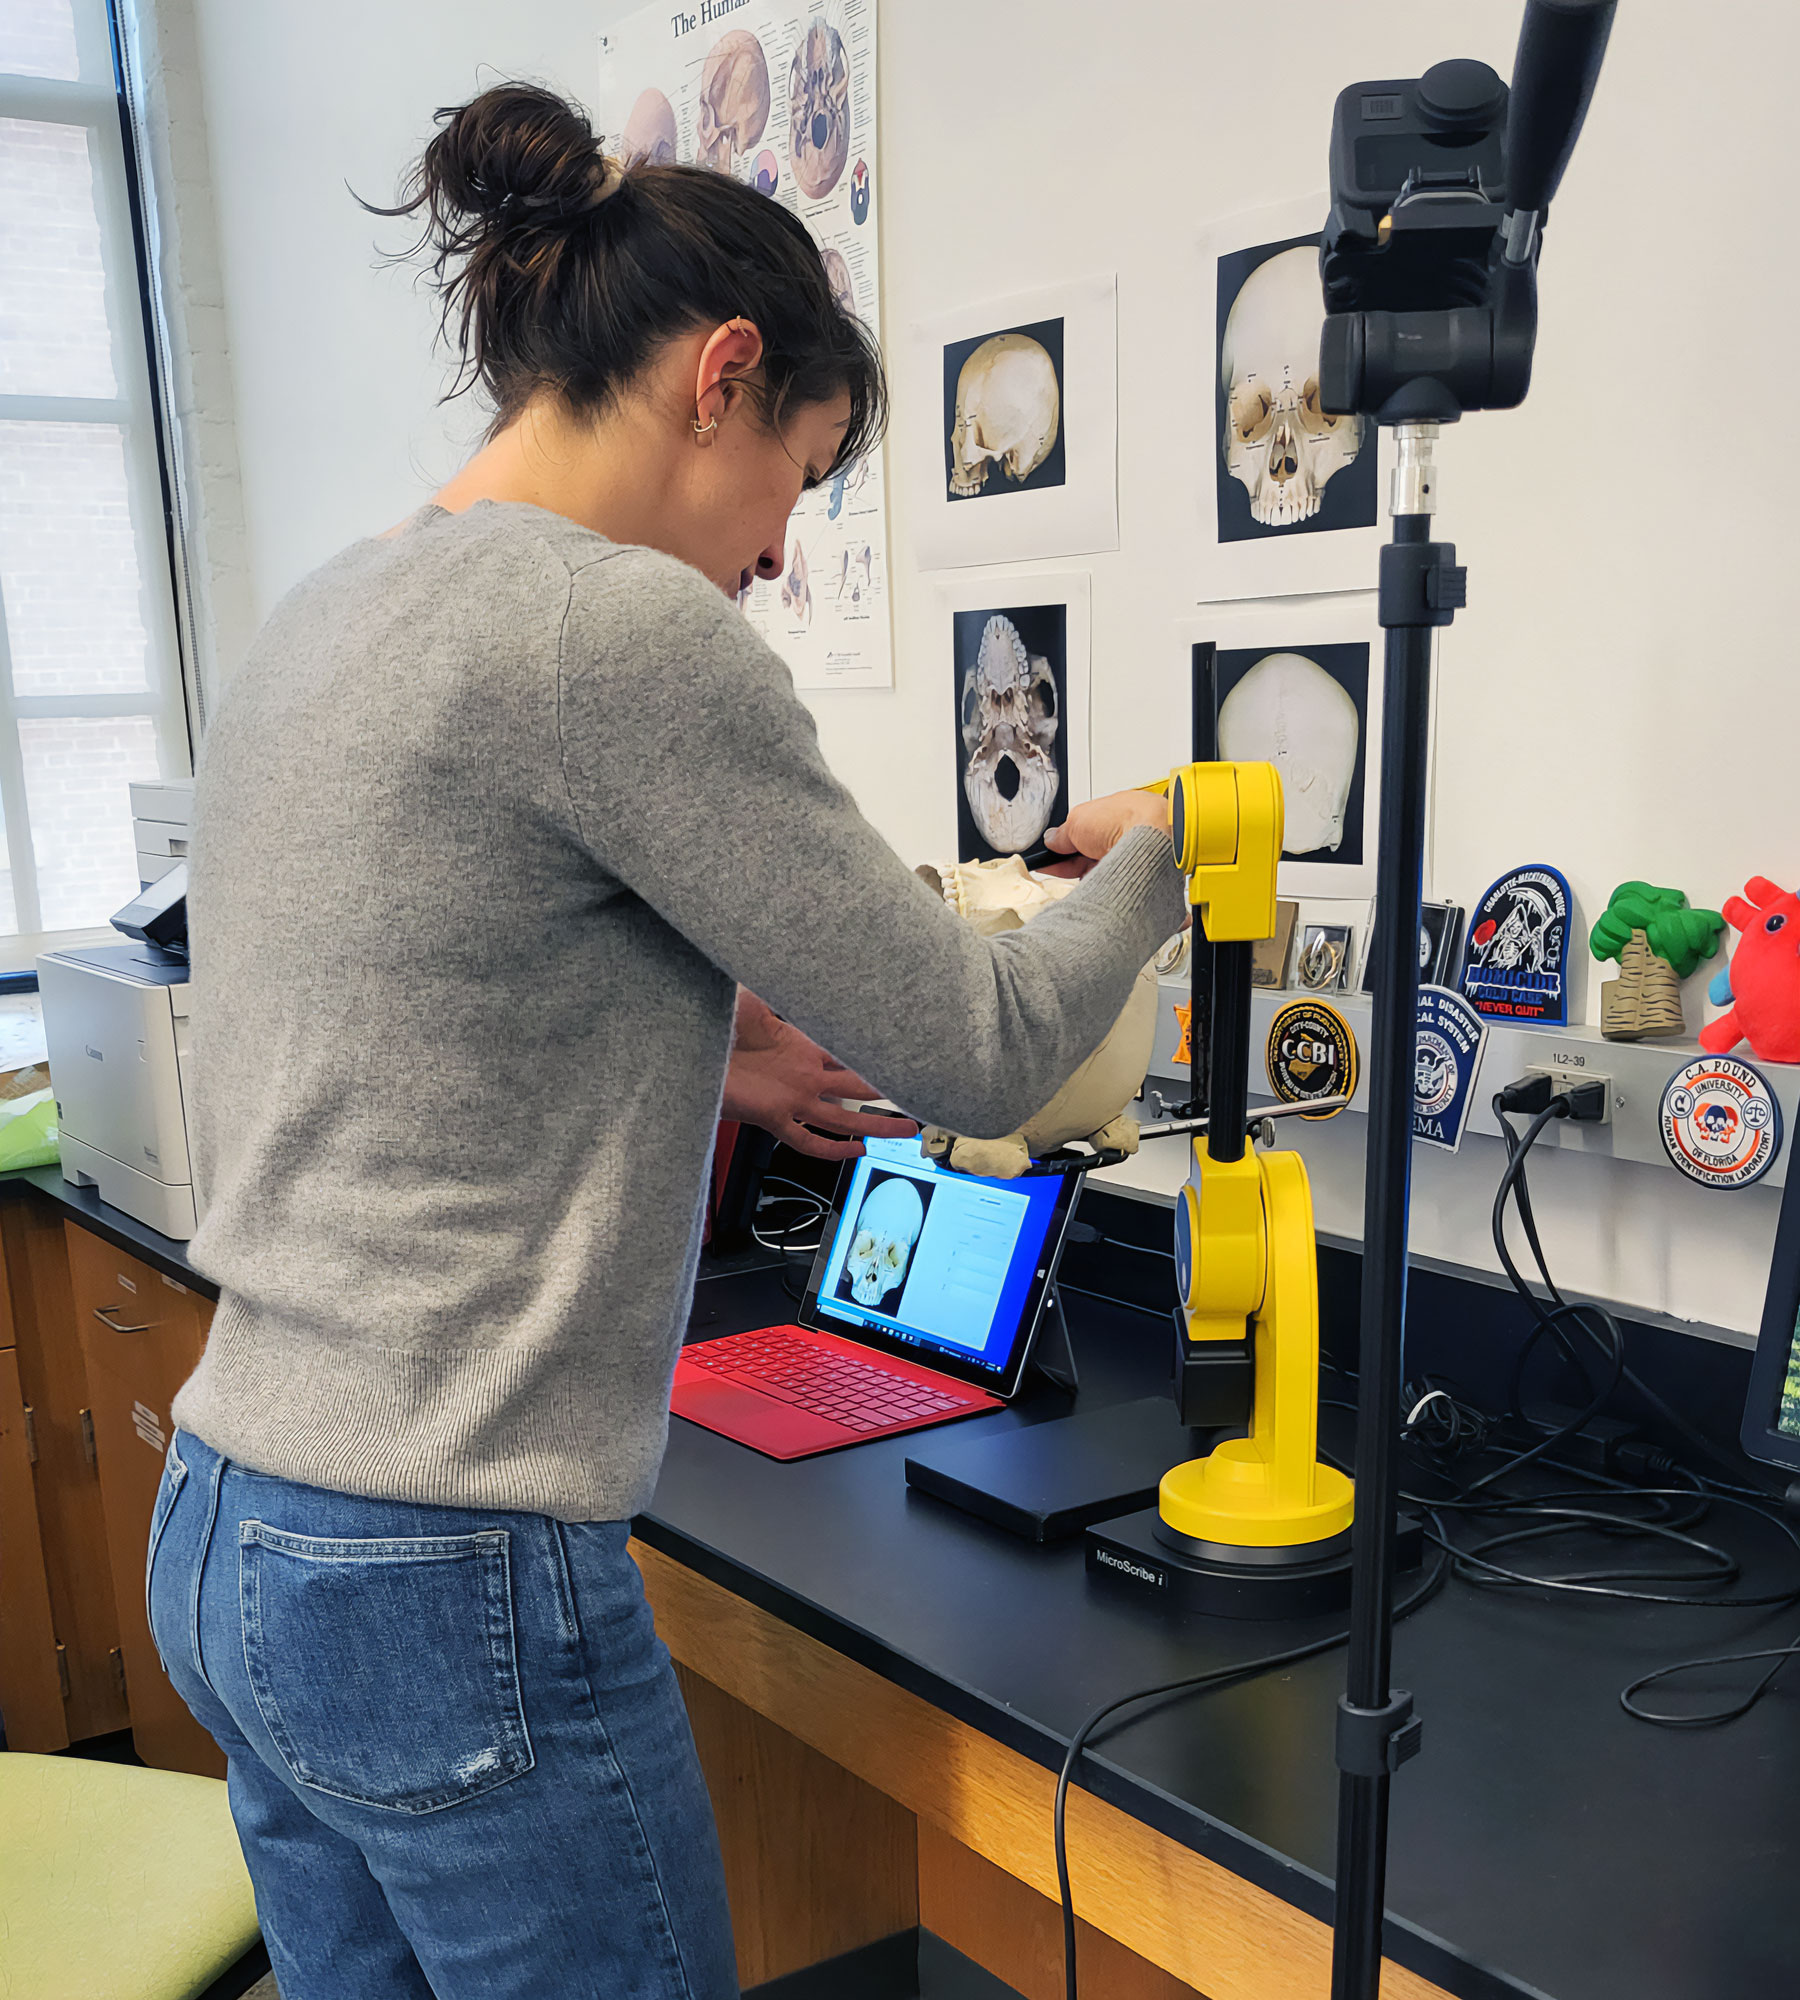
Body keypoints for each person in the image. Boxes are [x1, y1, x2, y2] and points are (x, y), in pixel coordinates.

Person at [147, 82, 1183, 2000]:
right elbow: (989, 1053)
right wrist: (1183, 841)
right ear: (720, 376)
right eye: (801, 476)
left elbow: (396, 989)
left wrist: (717, 1054)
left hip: (232, 1524)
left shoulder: (330, 609)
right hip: (441, 1564)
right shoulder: (615, 634)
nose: (782, 557)